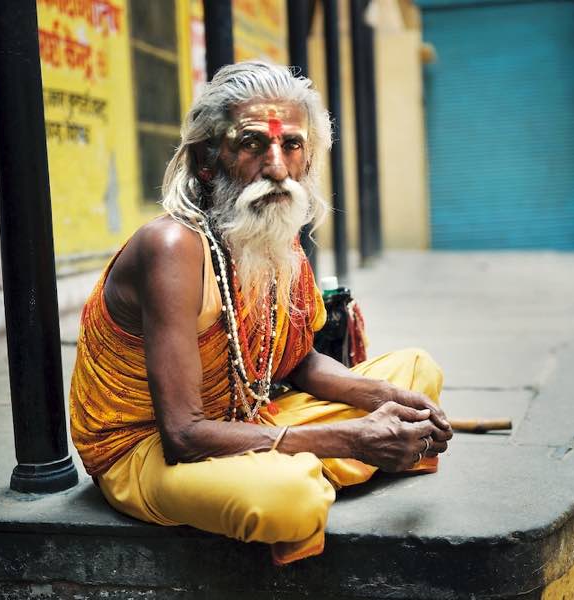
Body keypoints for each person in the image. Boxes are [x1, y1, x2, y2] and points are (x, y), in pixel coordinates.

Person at [69, 61, 452, 565]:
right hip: (146, 450)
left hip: (243, 417)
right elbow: (182, 435)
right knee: (289, 496)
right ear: (208, 160)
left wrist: (387, 396)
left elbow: (299, 361)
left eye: (291, 145)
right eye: (252, 144)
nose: (276, 166)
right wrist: (351, 438)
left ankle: (334, 456)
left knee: (416, 374)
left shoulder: (275, 235)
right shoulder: (171, 247)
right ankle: (325, 465)